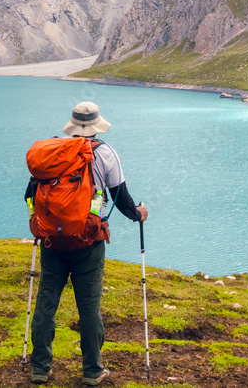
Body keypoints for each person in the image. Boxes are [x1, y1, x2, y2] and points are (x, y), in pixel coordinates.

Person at [28, 101, 148, 386]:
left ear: (72, 126)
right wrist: (139, 214)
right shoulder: (105, 152)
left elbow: (30, 193)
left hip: (52, 241)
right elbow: (121, 199)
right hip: (88, 242)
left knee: (46, 303)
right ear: (96, 126)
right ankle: (92, 371)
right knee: (89, 307)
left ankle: (40, 368)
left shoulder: (52, 154)